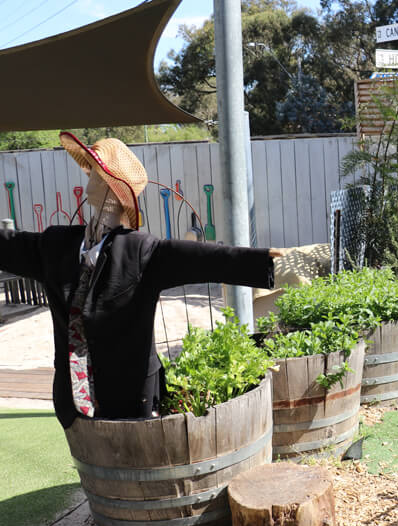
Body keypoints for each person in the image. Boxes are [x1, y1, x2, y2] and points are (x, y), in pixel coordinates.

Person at [0, 132, 279, 428]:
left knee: (132, 465)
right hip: (73, 394)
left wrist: (261, 260)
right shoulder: (56, 245)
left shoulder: (139, 251)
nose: (88, 181)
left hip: (131, 395)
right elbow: (9, 243)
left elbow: (202, 257)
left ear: (111, 188)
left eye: (96, 175)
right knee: (90, 459)